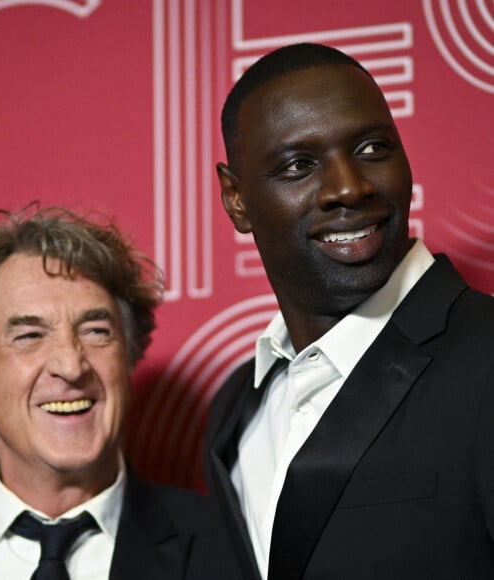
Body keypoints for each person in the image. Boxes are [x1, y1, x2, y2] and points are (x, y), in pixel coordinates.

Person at [205, 42, 494, 580]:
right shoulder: (234, 410)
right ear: (236, 198)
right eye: (299, 165)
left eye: (372, 148)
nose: (349, 187)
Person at [0, 205, 241, 580]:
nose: (71, 366)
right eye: (29, 336)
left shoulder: (226, 548)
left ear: (128, 360)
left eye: (96, 332)